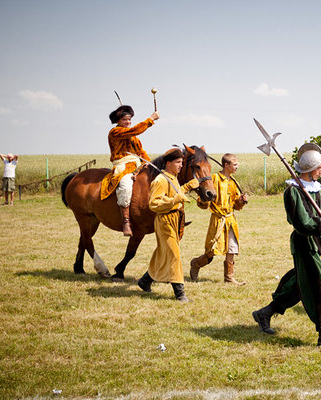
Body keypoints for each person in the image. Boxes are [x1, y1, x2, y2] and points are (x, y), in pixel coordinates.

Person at [252, 143, 321, 349]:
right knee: (319, 285)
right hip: (303, 243)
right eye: (320, 167)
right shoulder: (292, 191)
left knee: (300, 284)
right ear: (311, 169)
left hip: (314, 243)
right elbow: (303, 223)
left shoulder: (316, 189)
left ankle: (265, 313)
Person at [137, 148, 200, 302]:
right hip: (164, 221)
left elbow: (175, 192)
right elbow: (154, 203)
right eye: (178, 162)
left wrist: (187, 187)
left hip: (174, 220)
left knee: (162, 252)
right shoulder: (160, 180)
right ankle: (180, 293)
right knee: (174, 255)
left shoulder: (173, 178)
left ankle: (145, 281)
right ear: (168, 163)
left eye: (182, 162)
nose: (180, 165)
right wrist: (175, 200)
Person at [189, 154, 248, 285]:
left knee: (232, 248)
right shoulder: (214, 178)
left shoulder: (233, 182)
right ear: (226, 165)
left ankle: (229, 277)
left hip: (230, 220)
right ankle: (196, 263)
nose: (237, 167)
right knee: (211, 252)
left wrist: (241, 201)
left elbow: (236, 206)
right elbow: (203, 202)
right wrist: (205, 200)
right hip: (217, 220)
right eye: (235, 164)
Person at [101, 104, 159, 236]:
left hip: (137, 165)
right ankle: (126, 221)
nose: (127, 122)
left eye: (129, 120)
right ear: (118, 121)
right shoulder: (115, 132)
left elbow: (141, 152)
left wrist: (148, 162)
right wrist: (151, 119)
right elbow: (134, 130)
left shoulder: (134, 138)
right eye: (124, 120)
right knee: (125, 186)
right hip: (123, 166)